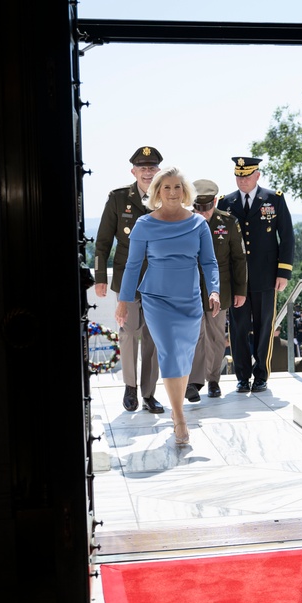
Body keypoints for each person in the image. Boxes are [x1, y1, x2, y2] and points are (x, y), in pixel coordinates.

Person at [115, 167, 220, 446]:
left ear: (184, 191)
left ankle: (176, 411)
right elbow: (133, 265)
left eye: (177, 187)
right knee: (171, 352)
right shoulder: (144, 225)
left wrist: (214, 291)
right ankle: (179, 417)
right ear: (157, 192)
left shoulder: (198, 224)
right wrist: (124, 302)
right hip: (157, 300)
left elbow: (209, 263)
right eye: (166, 187)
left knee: (183, 357)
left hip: (190, 301)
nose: (172, 192)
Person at [94, 145, 164, 414]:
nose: (148, 172)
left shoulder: (167, 194)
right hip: (127, 278)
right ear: (133, 171)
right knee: (128, 333)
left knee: (153, 337)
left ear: (159, 170)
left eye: (152, 167)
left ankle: (149, 393)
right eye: (142, 168)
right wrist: (100, 277)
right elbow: (102, 241)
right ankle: (130, 388)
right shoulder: (118, 198)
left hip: (159, 279)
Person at [217, 156, 295, 394]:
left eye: (247, 176)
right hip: (237, 279)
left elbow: (287, 236)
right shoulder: (226, 202)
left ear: (257, 176)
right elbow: (220, 241)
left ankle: (261, 374)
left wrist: (284, 271)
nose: (242, 181)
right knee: (238, 327)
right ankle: (242, 376)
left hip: (267, 275)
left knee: (264, 327)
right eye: (239, 176)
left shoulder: (274, 199)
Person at [186, 182, 248, 402]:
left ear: (214, 202)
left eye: (207, 208)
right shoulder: (184, 221)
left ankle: (213, 380)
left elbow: (239, 259)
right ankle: (193, 382)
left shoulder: (228, 222)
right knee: (194, 336)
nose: (202, 213)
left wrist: (240, 290)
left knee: (215, 336)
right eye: (198, 208)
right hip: (190, 287)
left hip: (219, 288)